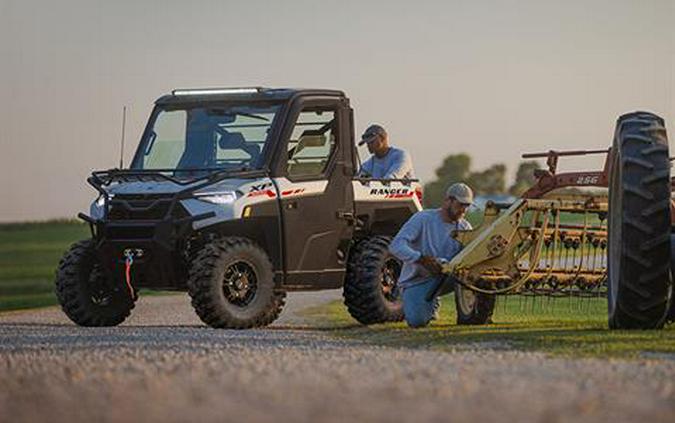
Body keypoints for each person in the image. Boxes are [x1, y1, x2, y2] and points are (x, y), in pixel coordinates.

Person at [389, 182, 474, 328]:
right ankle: (421, 301)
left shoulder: (465, 227)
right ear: (448, 201)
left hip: (448, 277)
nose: (463, 210)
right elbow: (396, 246)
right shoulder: (423, 219)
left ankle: (471, 316)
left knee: (473, 275)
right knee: (417, 321)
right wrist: (421, 259)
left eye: (467, 206)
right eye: (460, 204)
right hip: (418, 280)